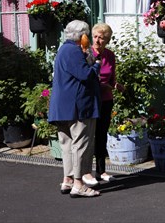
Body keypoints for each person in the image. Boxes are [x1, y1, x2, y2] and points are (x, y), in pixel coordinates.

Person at [48, 20, 102, 198]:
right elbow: (85, 75)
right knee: (80, 144)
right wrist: (96, 64)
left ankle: (68, 179)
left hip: (61, 105)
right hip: (77, 106)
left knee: (67, 144)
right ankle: (79, 184)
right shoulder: (73, 50)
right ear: (83, 36)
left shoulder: (63, 49)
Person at [82, 22, 118, 184]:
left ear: (107, 40)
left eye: (101, 38)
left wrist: (116, 85)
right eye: (95, 37)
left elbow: (112, 78)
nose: (97, 40)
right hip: (91, 99)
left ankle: (101, 171)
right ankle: (86, 172)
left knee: (102, 134)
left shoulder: (110, 55)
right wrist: (100, 85)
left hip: (106, 99)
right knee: (89, 135)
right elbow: (85, 77)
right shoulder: (86, 53)